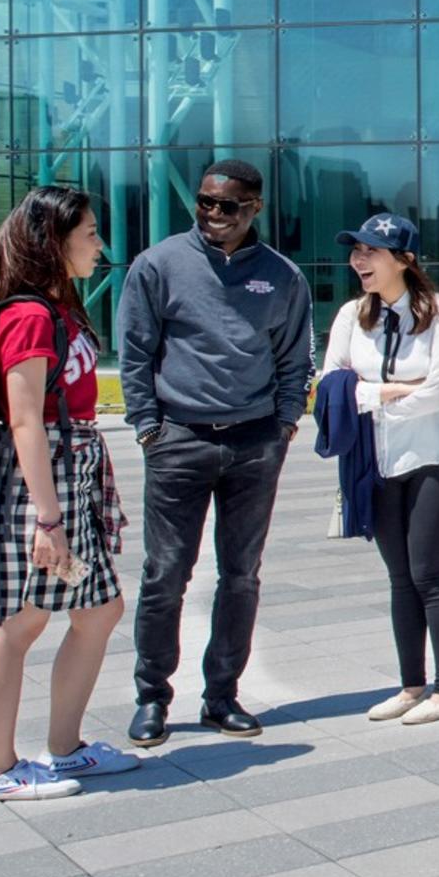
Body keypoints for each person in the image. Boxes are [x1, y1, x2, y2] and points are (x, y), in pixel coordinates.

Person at [117, 158, 316, 746]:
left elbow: (293, 359)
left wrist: (282, 425)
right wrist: (149, 427)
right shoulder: (158, 265)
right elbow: (135, 352)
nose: (212, 215)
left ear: (254, 207)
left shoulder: (282, 278)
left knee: (241, 576)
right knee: (164, 574)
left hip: (254, 444)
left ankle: (221, 697)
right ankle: (152, 697)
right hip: (178, 440)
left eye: (227, 206)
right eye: (204, 202)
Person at [0, 185, 139, 801]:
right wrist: (48, 520)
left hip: (73, 477)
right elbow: (24, 422)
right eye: (90, 232)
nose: (100, 244)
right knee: (19, 623)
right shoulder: (28, 315)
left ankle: (65, 751)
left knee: (98, 610)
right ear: (53, 240)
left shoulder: (58, 308)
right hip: (42, 487)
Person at [320, 212, 439, 726]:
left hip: (436, 458)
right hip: (376, 461)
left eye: (370, 251)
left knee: (430, 573)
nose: (358, 260)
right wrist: (385, 393)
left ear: (404, 260)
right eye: (355, 250)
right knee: (400, 577)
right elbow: (328, 388)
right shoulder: (350, 316)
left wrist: (371, 400)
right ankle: (412, 686)